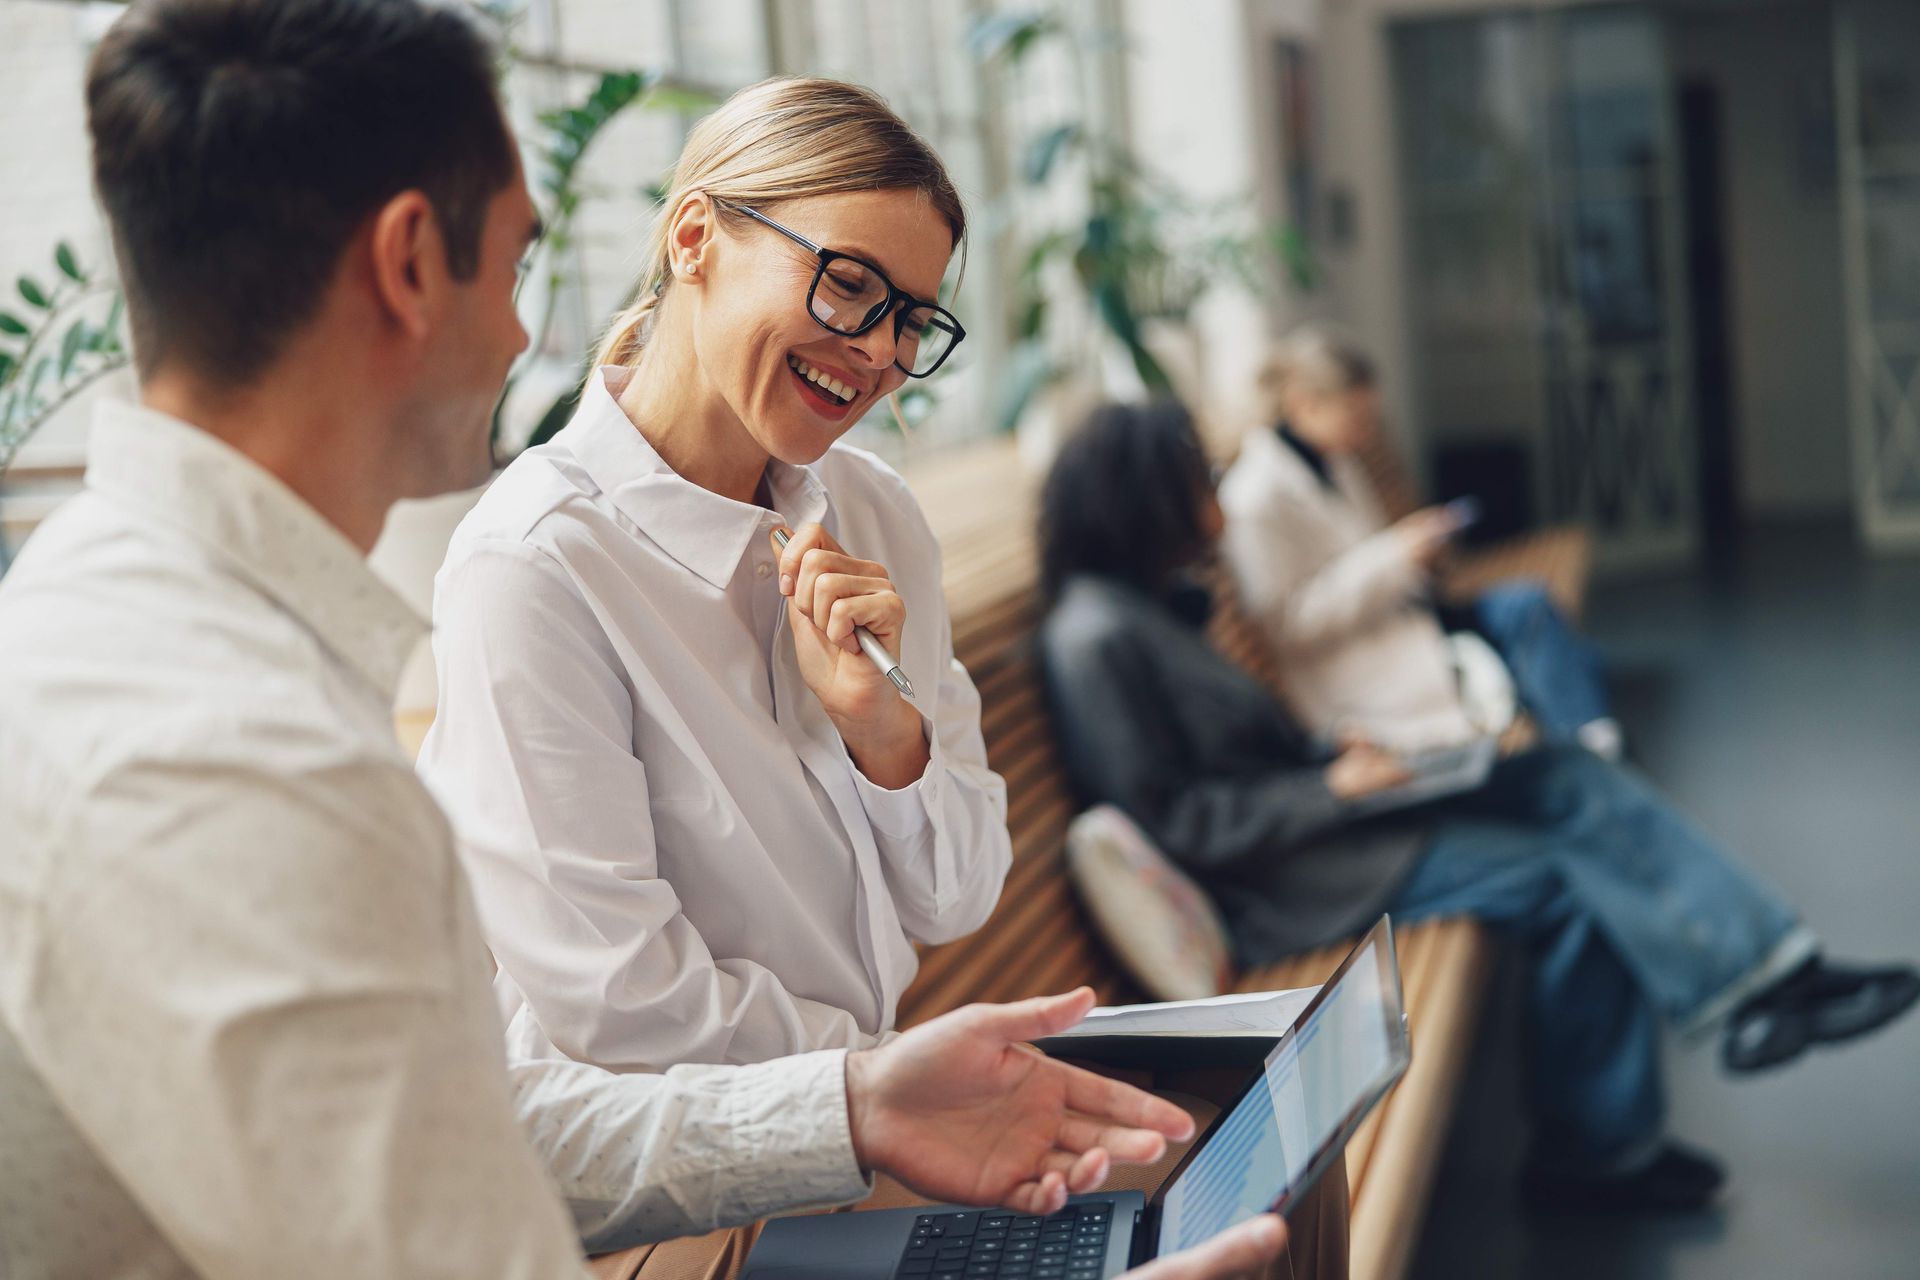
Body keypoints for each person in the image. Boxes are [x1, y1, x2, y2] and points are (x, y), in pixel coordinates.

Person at [0, 4, 1285, 1277]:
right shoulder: (232, 744)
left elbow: (466, 1137)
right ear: (405, 264)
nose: (524, 337)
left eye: (910, 319)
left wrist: (855, 1107)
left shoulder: (140, 630)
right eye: (511, 269)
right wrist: (850, 1098)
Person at [1036, 399, 1920, 1213]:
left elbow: (1230, 752)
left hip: (1328, 818)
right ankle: (1597, 1153)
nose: (1214, 494)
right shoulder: (1094, 638)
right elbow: (1178, 822)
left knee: (1566, 777)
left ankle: (1772, 974)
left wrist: (1333, 757)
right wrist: (1329, 786)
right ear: (1146, 496)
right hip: (1291, 878)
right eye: (1196, 477)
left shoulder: (1140, 607)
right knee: (1558, 884)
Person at [416, 77, 1013, 1075]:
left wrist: (886, 732)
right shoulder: (534, 566)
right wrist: (884, 1080)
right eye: (850, 283)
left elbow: (957, 893)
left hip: (860, 1121)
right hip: (678, 1194)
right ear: (693, 238)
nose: (875, 351)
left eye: (910, 318)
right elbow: (623, 1000)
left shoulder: (875, 515)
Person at [1218, 324, 1623, 759]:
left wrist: (1416, 554)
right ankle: (1597, 753)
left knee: (1538, 617)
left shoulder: (1333, 463)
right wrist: (1396, 557)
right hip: (1358, 666)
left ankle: (1594, 747)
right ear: (1304, 406)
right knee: (1542, 631)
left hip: (1403, 618)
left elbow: (1367, 554)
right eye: (1357, 418)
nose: (1367, 432)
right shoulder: (1254, 498)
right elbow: (1287, 626)